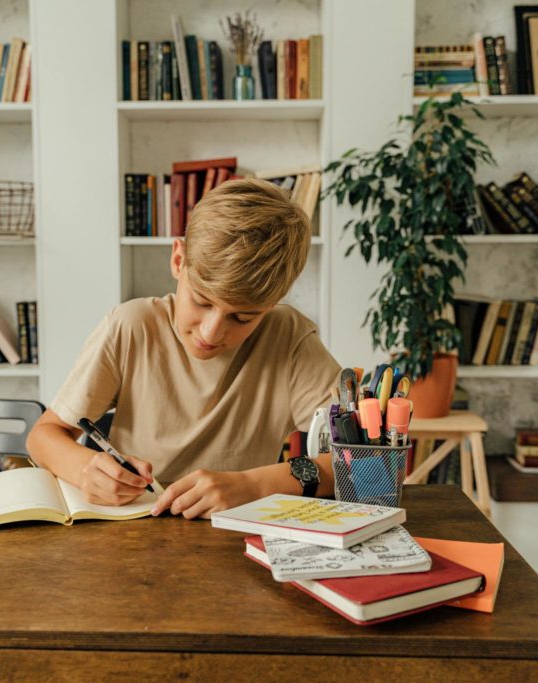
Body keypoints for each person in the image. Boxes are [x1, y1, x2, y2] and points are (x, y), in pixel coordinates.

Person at [26, 178, 341, 519]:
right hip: (132, 528)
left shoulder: (288, 337)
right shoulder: (131, 326)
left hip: (237, 535)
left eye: (242, 317)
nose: (211, 332)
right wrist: (84, 467)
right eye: (202, 301)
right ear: (178, 259)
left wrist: (255, 485)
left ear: (272, 304)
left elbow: (365, 460)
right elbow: (43, 437)